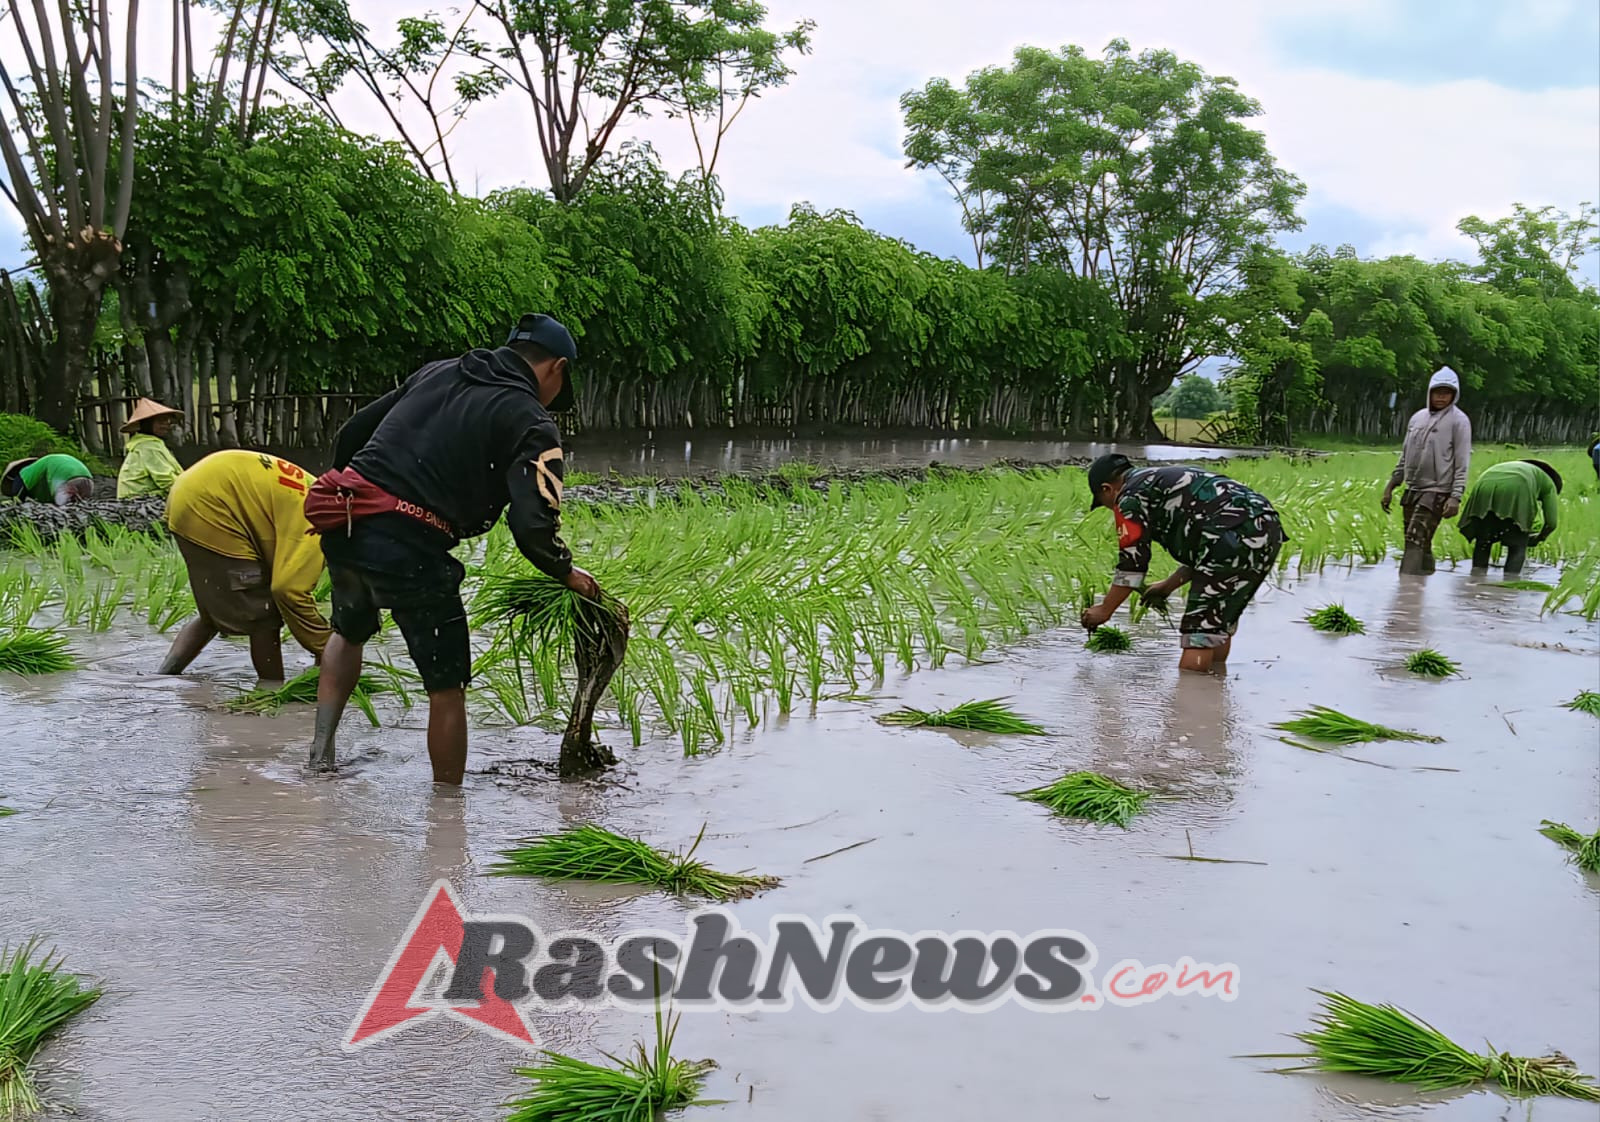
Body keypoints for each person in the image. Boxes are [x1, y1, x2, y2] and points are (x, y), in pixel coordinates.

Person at [302, 313, 600, 786]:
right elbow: (531, 523)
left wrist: (355, 487)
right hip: (408, 545)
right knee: (446, 686)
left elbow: (353, 432)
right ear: (556, 369)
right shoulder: (528, 419)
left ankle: (319, 760)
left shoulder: (440, 370)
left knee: (348, 629)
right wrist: (567, 573)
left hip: (347, 523)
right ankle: (447, 815)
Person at [1079, 454, 1285, 674]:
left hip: (1228, 533)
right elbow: (1212, 550)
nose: (1111, 509)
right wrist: (1168, 586)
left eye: (1104, 503)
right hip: (1268, 527)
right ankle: (1215, 694)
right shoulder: (1162, 478)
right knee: (1216, 622)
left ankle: (1191, 703)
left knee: (1198, 633)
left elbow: (1132, 564)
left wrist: (1104, 610)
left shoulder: (1129, 497)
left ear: (1107, 489)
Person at [158, 450, 331, 680]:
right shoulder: (321, 524)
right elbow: (288, 590)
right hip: (212, 504)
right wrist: (326, 649)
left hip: (192, 492)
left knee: (212, 613)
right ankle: (271, 692)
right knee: (263, 614)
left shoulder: (323, 498)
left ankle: (162, 677)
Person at [1381, 367, 1472, 576]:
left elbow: (1462, 461)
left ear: (1454, 395)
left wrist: (1455, 496)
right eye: (1437, 392)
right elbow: (1405, 456)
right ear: (1429, 392)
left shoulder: (1459, 421)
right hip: (1413, 488)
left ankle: (1405, 593)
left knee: (1414, 539)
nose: (1441, 397)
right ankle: (1421, 587)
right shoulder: (1417, 419)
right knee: (1421, 541)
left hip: (1437, 491)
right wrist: (1391, 486)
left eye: (1446, 393)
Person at [1459, 459, 1561, 577]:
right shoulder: (1549, 483)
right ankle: (1510, 583)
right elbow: (1551, 523)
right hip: (1518, 486)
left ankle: (1476, 579)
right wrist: (1539, 538)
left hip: (1484, 483)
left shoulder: (1517, 467)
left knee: (1483, 541)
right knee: (1517, 545)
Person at [117, 398, 186, 498]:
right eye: (161, 421)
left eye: (168, 421)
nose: (166, 425)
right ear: (147, 424)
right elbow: (166, 480)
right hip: (140, 501)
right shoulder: (148, 447)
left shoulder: (146, 444)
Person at [2, 453, 94, 505]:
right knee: (80, 506)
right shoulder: (40, 469)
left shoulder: (23, 475)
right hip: (88, 478)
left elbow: (17, 501)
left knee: (62, 508)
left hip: (66, 479)